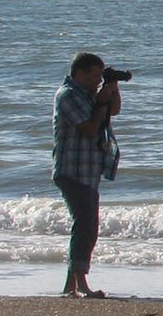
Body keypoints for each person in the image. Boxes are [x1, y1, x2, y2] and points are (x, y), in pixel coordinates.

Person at [52, 51, 121, 297]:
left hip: (88, 171)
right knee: (86, 225)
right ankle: (81, 284)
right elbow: (90, 128)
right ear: (79, 73)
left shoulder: (89, 94)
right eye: (93, 76)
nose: (96, 81)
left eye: (99, 76)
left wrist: (111, 89)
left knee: (86, 225)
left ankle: (70, 286)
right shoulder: (68, 95)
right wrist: (101, 101)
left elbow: (114, 111)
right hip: (72, 170)